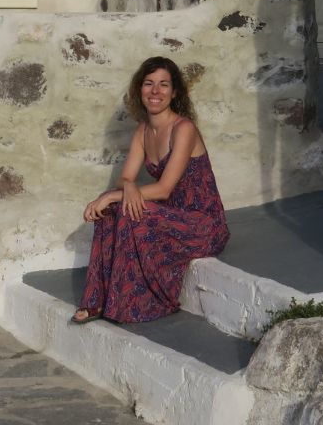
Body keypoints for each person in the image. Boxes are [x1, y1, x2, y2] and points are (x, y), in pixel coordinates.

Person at [72, 56, 230, 324]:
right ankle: (96, 301)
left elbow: (164, 189)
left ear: (174, 92)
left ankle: (133, 304)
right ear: (140, 89)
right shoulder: (143, 131)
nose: (155, 91)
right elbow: (125, 178)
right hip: (169, 216)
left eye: (164, 84)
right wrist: (127, 187)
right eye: (149, 83)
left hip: (202, 224)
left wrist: (111, 195)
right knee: (111, 212)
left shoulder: (184, 129)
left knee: (124, 209)